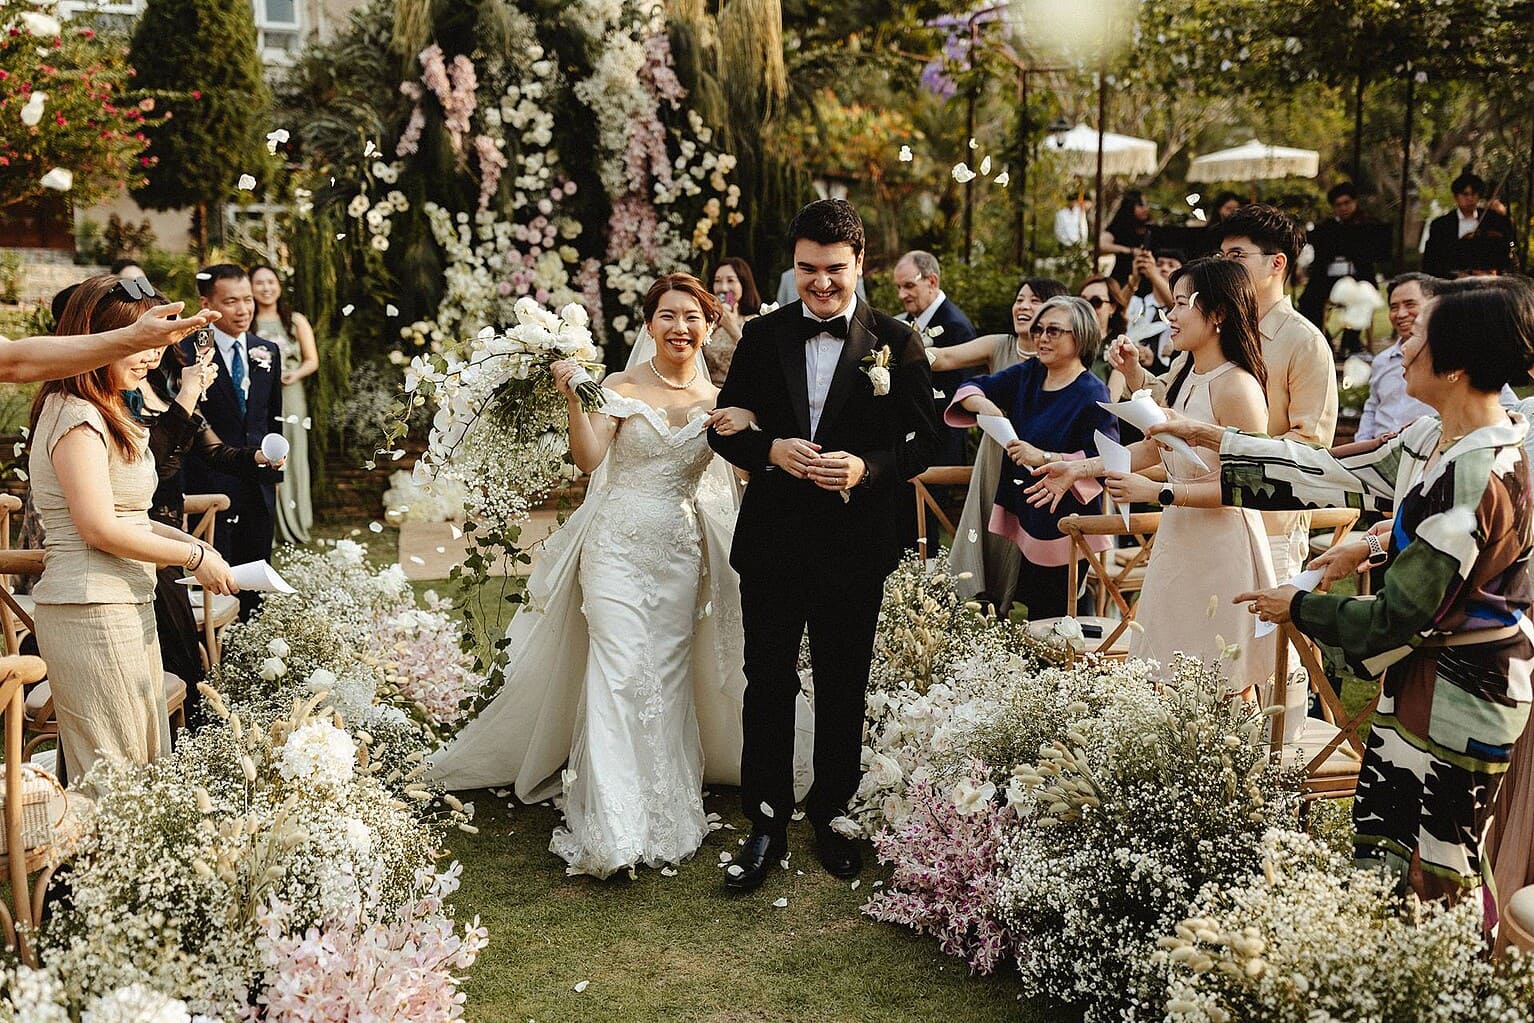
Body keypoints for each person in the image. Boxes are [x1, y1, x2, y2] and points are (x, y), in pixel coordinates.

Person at [1147, 276, 1534, 910]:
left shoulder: (1474, 474)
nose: (1400, 346)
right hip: (1425, 678)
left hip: (1462, 694)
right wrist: (1215, 438)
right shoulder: (1437, 438)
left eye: (1418, 334)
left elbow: (1397, 616)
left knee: (1442, 873)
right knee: (1390, 850)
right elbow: (1329, 470)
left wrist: (1297, 606)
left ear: (1457, 364)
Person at [430, 273, 771, 878]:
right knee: (616, 669)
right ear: (649, 325)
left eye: (692, 317)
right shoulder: (618, 385)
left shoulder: (720, 401)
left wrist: (754, 427)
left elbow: (741, 474)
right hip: (614, 547)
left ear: (709, 325)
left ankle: (661, 808)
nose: (680, 327)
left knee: (663, 674)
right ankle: (613, 825)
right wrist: (573, 399)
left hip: (678, 553)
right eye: (668, 316)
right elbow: (589, 460)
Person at [709, 199, 941, 891]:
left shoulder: (897, 341)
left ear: (860, 263)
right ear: (793, 266)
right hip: (773, 541)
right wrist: (769, 450)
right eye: (808, 268)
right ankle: (766, 820)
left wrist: (867, 468)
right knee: (767, 682)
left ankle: (833, 814)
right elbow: (724, 428)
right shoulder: (762, 335)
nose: (821, 282)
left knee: (844, 683)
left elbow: (927, 443)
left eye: (834, 269)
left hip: (854, 542)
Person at [28, 276, 237, 787]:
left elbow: (130, 515)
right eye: (142, 343)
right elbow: (99, 527)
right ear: (99, 340)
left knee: (140, 766)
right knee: (115, 777)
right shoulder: (76, 415)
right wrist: (193, 560)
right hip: (90, 608)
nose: (152, 358)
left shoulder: (106, 408)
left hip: (125, 600)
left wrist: (191, 543)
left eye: (157, 345)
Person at [1031, 258, 1275, 695]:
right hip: (1179, 541)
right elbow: (1156, 446)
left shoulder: (1238, 387)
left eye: (1181, 303)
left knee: (1222, 685)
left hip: (1223, 550)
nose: (1170, 314)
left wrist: (1160, 491)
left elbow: (1244, 484)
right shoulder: (1186, 374)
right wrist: (1079, 467)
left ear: (1218, 313)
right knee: (1163, 676)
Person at [1110, 203, 1337, 582]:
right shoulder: (1210, 330)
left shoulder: (1305, 342)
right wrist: (1133, 371)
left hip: (1267, 525)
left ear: (1277, 263)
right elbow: (1171, 405)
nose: (1225, 265)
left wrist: (1230, 451)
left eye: (1237, 255)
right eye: (1222, 255)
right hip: (1191, 515)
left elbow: (1311, 446)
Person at [942, 296, 1117, 619]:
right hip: (1022, 515)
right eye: (1038, 329)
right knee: (1013, 611)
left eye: (1053, 330)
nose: (1041, 338)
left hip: (1064, 526)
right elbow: (970, 388)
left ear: (1080, 337)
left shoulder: (1093, 393)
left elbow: (1107, 460)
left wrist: (1045, 456)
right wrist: (986, 406)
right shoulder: (1030, 373)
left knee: (1056, 619)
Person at [141, 340, 281, 715]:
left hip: (172, 532)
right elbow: (148, 461)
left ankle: (190, 731)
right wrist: (188, 393)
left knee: (184, 652)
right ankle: (187, 732)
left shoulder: (163, 386)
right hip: (142, 535)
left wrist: (260, 458)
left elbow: (215, 451)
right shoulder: (121, 397)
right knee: (179, 650)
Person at [928, 277, 1068, 607]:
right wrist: (903, 350)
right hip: (996, 462)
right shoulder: (1000, 345)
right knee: (990, 556)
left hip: (1040, 467)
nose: (1023, 306)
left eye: (1034, 301)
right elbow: (944, 358)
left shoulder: (1062, 364)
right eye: (1019, 299)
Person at [185, 265, 284, 620]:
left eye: (248, 300)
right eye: (231, 302)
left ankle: (253, 637)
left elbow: (272, 417)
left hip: (258, 479)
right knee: (215, 575)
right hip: (208, 479)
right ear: (207, 305)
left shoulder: (267, 350)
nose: (243, 310)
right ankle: (217, 641)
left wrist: (274, 470)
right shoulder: (186, 352)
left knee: (256, 570)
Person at [249, 265, 317, 545]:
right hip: (260, 395)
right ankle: (268, 523)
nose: (266, 288)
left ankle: (295, 522)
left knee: (294, 452)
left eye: (270, 282)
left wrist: (294, 374)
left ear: (279, 285)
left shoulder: (295, 321)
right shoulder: (248, 320)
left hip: (291, 394)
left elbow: (312, 360)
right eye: (259, 283)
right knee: (266, 451)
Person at [894, 250, 977, 466]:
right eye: (899, 287)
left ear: (932, 281)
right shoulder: (903, 322)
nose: (901, 295)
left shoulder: (957, 328)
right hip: (906, 447)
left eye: (908, 286)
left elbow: (956, 399)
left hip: (942, 449)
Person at [1298, 183, 1383, 353]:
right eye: (1338, 205)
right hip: (1328, 279)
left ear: (1354, 202)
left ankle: (1350, 342)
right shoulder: (1326, 227)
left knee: (1364, 296)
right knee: (1307, 302)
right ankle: (1324, 341)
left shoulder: (1367, 225)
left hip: (1359, 278)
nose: (1343, 208)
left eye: (1347, 203)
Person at [1357, 273, 1436, 441]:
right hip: (1378, 452)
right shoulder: (1382, 361)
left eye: (1410, 304)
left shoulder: (1450, 359)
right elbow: (1372, 409)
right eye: (1394, 307)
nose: (1400, 314)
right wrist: (1362, 445)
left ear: (1433, 305)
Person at [1422, 169, 1518, 279]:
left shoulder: (1493, 219)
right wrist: (1455, 275)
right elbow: (1431, 263)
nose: (1470, 198)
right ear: (1456, 197)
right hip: (1452, 283)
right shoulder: (1440, 225)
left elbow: (1511, 244)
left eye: (1474, 194)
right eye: (1465, 194)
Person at [705, 256, 763, 387]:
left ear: (743, 284)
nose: (724, 288)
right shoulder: (705, 322)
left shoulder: (755, 322)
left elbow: (760, 361)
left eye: (730, 280)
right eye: (717, 281)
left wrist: (731, 327)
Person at [1099, 189, 1151, 285]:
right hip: (1122, 279)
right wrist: (1130, 250)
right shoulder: (1120, 227)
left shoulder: (1150, 228)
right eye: (1140, 205)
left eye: (1146, 205)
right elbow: (1101, 244)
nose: (1145, 209)